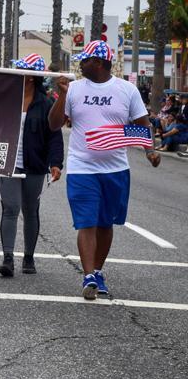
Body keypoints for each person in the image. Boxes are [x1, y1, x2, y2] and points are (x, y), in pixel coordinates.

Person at [49, 40, 160, 300]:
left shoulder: (126, 90)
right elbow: (53, 125)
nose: (79, 64)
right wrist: (62, 95)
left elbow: (141, 124)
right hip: (81, 167)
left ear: (98, 63)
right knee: (86, 222)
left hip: (116, 169)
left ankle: (98, 271)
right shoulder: (73, 89)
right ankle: (88, 276)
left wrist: (150, 151)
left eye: (84, 60)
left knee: (104, 223)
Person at [0, 54, 63, 277]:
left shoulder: (46, 104)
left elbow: (54, 135)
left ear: (31, 77)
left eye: (22, 70)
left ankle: (29, 257)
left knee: (30, 210)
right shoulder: (5, 98)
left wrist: (56, 163)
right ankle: (7, 259)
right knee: (11, 207)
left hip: (35, 165)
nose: (17, 73)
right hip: (6, 162)